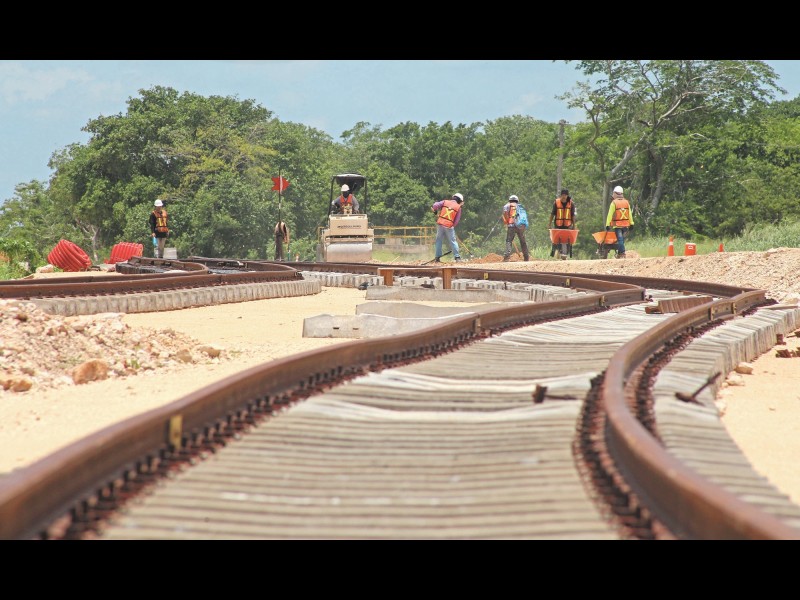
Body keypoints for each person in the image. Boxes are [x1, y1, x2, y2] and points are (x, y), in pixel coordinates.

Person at [430, 192, 464, 262]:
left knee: (438, 240)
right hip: (449, 225)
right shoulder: (458, 207)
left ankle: (437, 257)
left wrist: (435, 210)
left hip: (440, 223)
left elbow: (435, 205)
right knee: (453, 241)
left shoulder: (445, 202)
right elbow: (456, 220)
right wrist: (452, 226)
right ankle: (457, 257)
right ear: (459, 200)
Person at [605, 185, 634, 258]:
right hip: (625, 225)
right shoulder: (626, 202)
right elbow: (629, 213)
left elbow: (610, 214)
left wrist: (607, 224)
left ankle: (622, 253)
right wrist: (631, 223)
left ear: (615, 193)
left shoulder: (614, 203)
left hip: (617, 225)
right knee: (622, 240)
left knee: (620, 240)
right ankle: (620, 254)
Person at [548, 188, 577, 257]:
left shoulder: (571, 204)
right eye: (563, 195)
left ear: (567, 196)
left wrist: (574, 225)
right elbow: (552, 214)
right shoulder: (556, 203)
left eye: (565, 195)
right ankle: (557, 251)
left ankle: (565, 253)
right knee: (557, 238)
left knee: (568, 239)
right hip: (558, 224)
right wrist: (549, 224)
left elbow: (573, 215)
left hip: (568, 225)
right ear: (561, 195)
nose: (564, 197)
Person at [502, 194, 529, 262]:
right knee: (523, 242)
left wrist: (507, 222)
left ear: (509, 200)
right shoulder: (520, 206)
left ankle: (507, 257)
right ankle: (526, 257)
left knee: (509, 241)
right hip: (521, 226)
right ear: (517, 200)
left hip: (512, 225)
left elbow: (505, 214)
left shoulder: (507, 205)